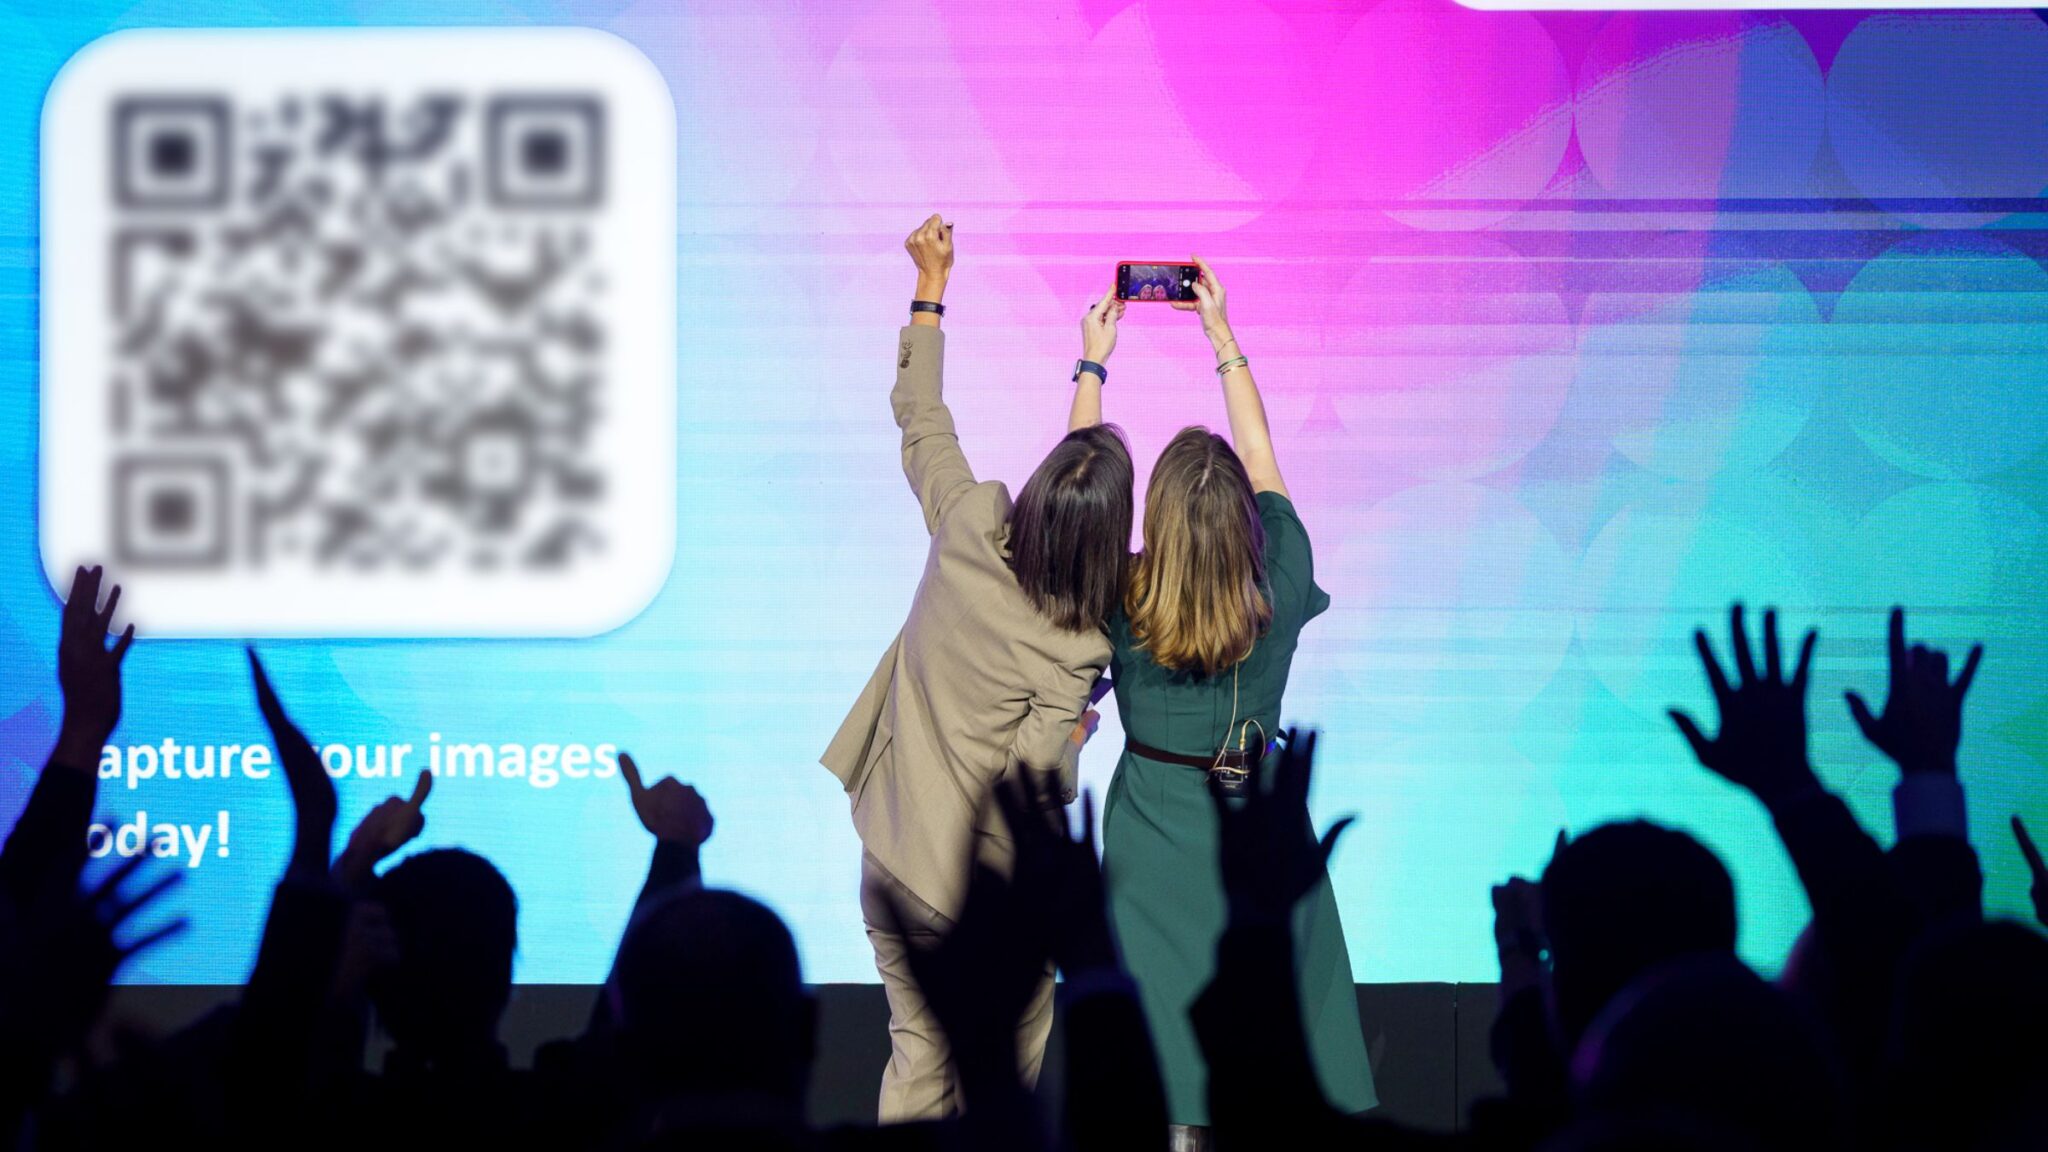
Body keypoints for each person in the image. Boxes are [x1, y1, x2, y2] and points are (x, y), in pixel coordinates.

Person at [821, 214, 1135, 1121]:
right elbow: (1035, 785)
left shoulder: (966, 526)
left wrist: (930, 289)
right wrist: (1074, 730)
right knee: (1003, 1093)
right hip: (986, 893)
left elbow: (923, 420)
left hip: (893, 853)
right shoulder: (1079, 646)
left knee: (917, 1064)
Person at [1068, 257, 1374, 1148]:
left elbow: (1079, 492)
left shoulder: (1123, 592)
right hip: (1258, 842)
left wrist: (1094, 362)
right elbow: (1265, 460)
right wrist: (1222, 338)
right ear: (1242, 519)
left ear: (1154, 521)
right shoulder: (1279, 575)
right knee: (1274, 1047)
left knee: (1160, 1071)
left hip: (1147, 847)